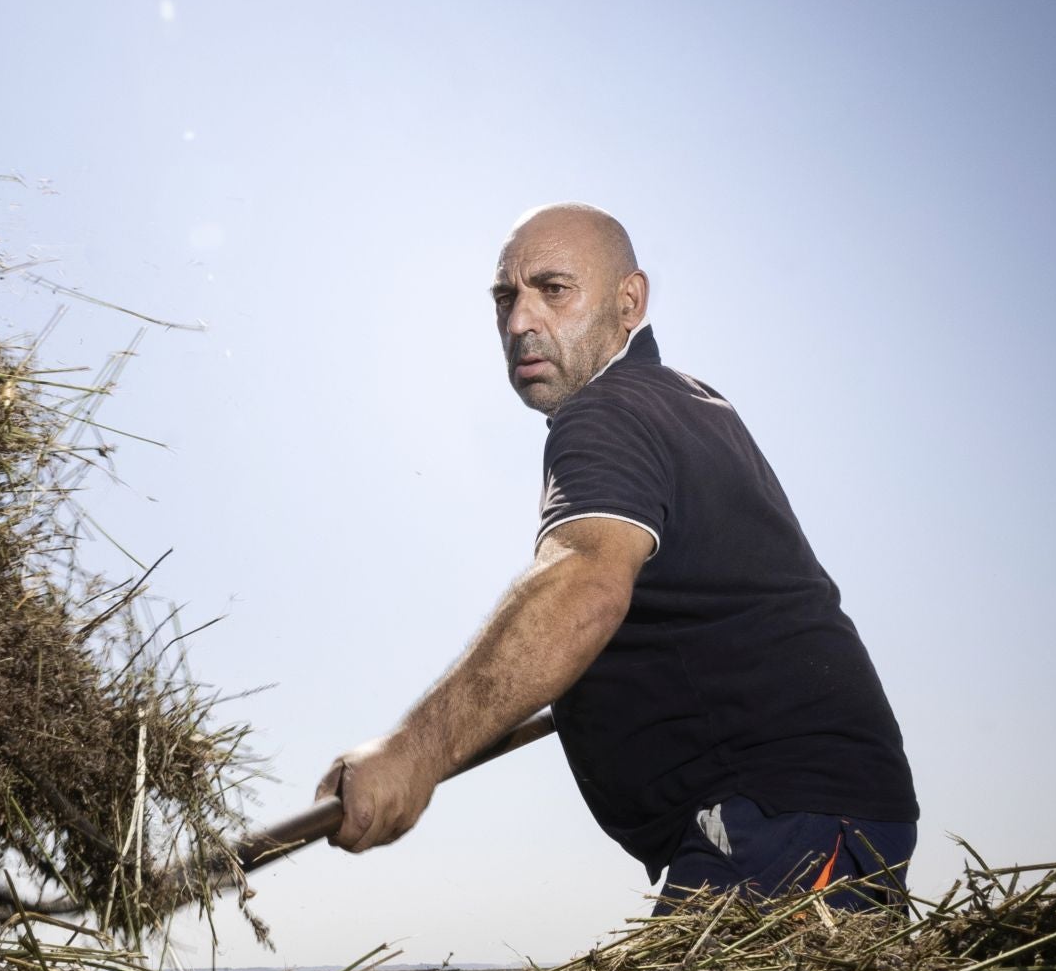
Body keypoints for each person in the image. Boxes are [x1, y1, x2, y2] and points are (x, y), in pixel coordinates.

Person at [314, 203, 917, 912]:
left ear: (629, 302)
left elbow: (584, 584)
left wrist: (413, 751)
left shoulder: (607, 413)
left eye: (553, 289)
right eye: (505, 299)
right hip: (806, 817)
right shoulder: (683, 403)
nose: (519, 323)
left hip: (782, 818)